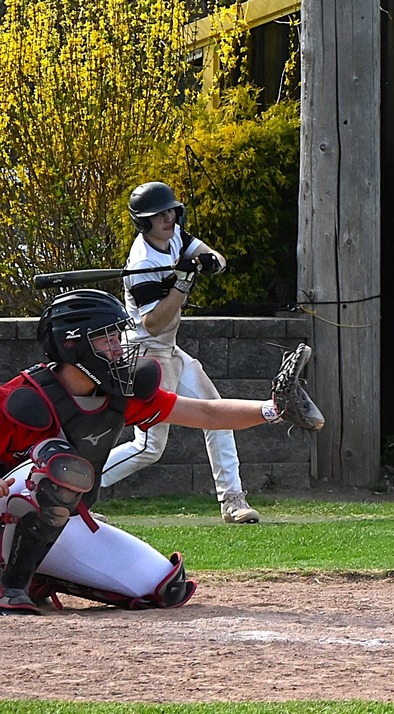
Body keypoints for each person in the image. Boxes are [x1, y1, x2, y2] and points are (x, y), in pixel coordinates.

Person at [0, 289, 322, 614]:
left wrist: (272, 409)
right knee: (60, 467)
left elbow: (206, 412)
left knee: (163, 586)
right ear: (72, 345)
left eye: (117, 335)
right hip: (9, 511)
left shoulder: (118, 393)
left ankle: (38, 575)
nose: (117, 347)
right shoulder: (22, 398)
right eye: (104, 338)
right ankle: (8, 588)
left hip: (58, 519)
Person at [99, 182, 260, 524]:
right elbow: (154, 322)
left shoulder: (176, 237)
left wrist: (209, 263)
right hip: (144, 353)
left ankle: (232, 500)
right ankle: (75, 488)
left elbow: (217, 257)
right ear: (145, 222)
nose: (168, 218)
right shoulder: (141, 261)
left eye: (171, 210)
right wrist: (182, 285)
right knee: (149, 448)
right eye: (160, 214)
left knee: (218, 414)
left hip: (170, 349)